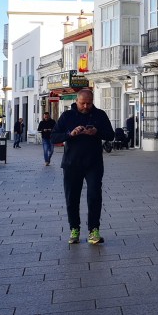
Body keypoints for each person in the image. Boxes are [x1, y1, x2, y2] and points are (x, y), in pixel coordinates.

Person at [51, 88, 114, 245]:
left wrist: (96, 132)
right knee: (72, 198)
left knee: (94, 196)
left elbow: (111, 135)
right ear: (76, 101)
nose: (86, 106)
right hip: (72, 164)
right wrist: (70, 134)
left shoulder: (100, 115)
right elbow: (53, 137)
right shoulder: (67, 116)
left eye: (89, 103)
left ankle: (94, 230)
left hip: (93, 163)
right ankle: (74, 229)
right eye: (82, 103)